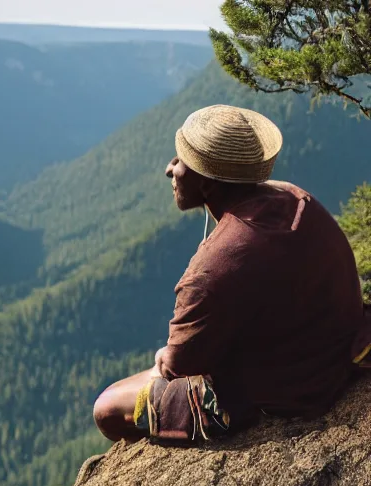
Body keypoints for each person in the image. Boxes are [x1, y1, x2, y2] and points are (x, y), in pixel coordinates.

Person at [93, 104, 371, 445]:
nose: (170, 169)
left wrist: (162, 358)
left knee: (107, 407)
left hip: (295, 388)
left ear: (207, 182)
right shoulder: (295, 198)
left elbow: (180, 366)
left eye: (180, 162)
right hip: (338, 348)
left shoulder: (213, 268)